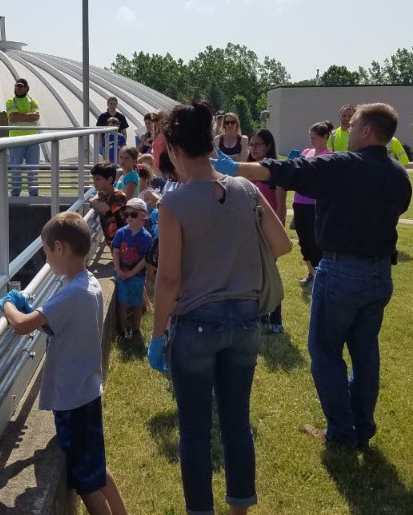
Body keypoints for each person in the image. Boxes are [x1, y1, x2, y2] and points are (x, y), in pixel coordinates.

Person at [212, 103, 413, 450]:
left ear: (367, 131)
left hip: (342, 272)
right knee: (365, 353)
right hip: (380, 274)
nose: (347, 131)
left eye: (354, 126)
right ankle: (362, 426)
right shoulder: (398, 174)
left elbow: (291, 170)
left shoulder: (343, 165)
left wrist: (235, 167)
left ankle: (340, 431)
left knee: (325, 351)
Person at [148, 102, 292, 515]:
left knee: (194, 431)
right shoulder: (245, 190)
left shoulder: (172, 204)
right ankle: (240, 509)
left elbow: (169, 279)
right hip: (246, 321)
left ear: (172, 149)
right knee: (236, 423)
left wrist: (157, 337)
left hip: (195, 325)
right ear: (212, 143)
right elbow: (282, 245)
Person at [0, 212, 128, 515]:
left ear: (60, 248)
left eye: (46, 251)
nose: (46, 259)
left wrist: (6, 302)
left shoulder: (70, 292)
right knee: (96, 466)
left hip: (72, 401)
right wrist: (32, 310)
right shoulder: (89, 282)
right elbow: (59, 324)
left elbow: (21, 325)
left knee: (85, 481)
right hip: (87, 391)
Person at [247, 128, 287, 334]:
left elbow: (281, 207)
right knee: (254, 276)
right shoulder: (245, 169)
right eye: (251, 145)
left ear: (268, 146)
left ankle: (276, 319)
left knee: (269, 276)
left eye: (257, 145)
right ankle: (260, 315)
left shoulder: (275, 172)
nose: (253, 149)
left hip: (267, 232)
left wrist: (278, 233)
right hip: (249, 232)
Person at [294, 121, 333, 287]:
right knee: (303, 240)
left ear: (325, 137)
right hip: (299, 201)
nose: (312, 142)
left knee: (314, 240)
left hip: (315, 204)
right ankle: (311, 272)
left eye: (315, 138)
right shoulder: (306, 152)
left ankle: (319, 275)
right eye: (310, 138)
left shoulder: (329, 156)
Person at [112, 198, 154, 339]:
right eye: (126, 214)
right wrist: (118, 270)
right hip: (121, 274)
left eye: (133, 214)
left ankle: (136, 329)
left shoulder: (147, 237)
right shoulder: (121, 233)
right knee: (122, 301)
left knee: (136, 302)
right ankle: (122, 330)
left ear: (143, 215)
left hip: (137, 275)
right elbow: (116, 251)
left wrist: (132, 272)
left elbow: (145, 259)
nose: (129, 217)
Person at [6, 78, 40, 196]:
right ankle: (15, 193)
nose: (18, 89)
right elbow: (12, 118)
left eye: (21, 87)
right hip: (16, 139)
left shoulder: (32, 101)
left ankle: (33, 192)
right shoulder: (11, 101)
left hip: (33, 139)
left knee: (33, 168)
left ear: (26, 88)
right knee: (16, 168)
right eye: (17, 86)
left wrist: (19, 116)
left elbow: (36, 117)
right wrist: (28, 116)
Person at [90, 161, 127, 247]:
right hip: (112, 239)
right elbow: (97, 197)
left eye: (98, 179)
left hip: (124, 240)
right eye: (94, 179)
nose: (94, 182)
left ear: (110, 180)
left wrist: (92, 201)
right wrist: (95, 200)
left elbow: (104, 208)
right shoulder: (102, 193)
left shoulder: (119, 196)